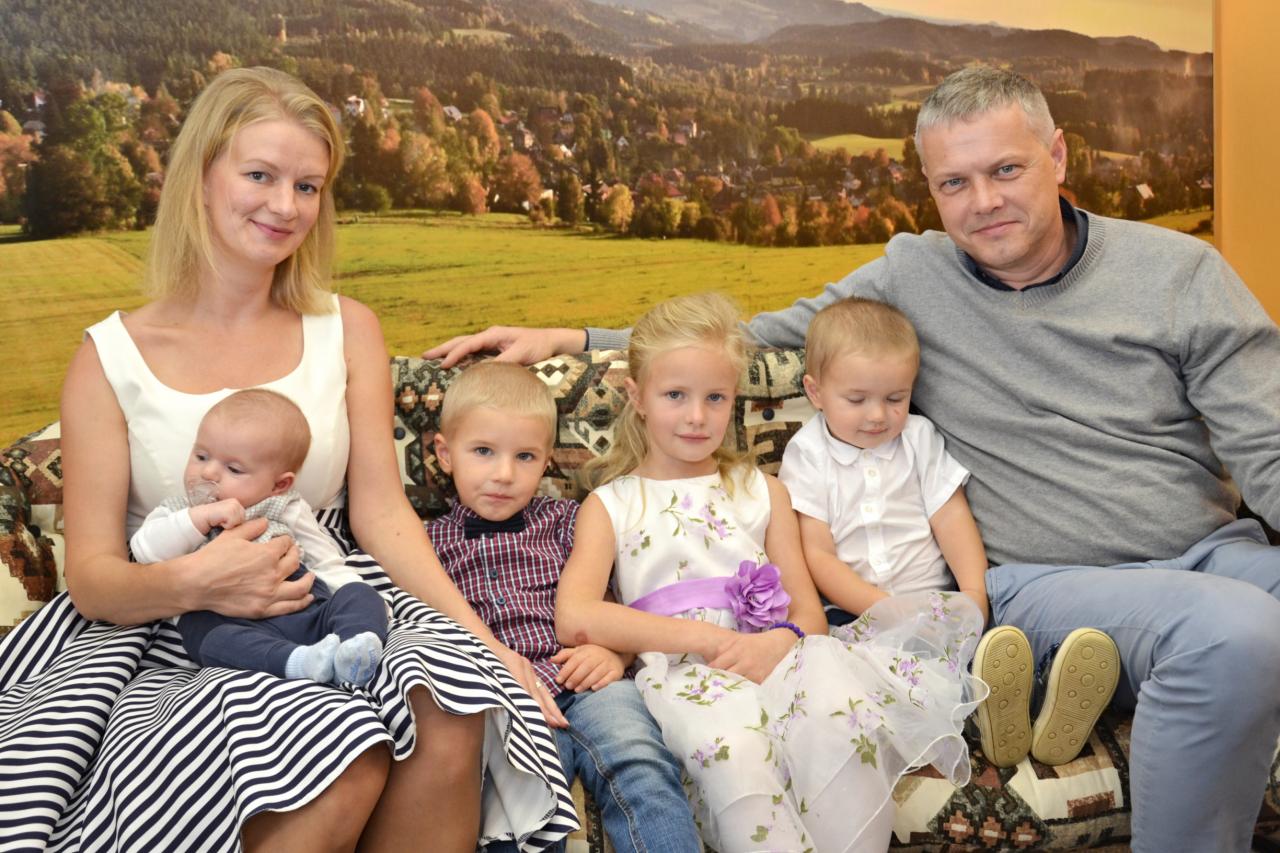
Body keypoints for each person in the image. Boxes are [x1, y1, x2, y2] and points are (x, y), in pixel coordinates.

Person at [429, 65, 1280, 853]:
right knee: (1234, 633)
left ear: (1057, 157)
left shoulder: (1178, 271)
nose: (983, 201)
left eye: (1007, 170)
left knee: (1243, 605)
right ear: (931, 189)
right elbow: (753, 336)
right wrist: (576, 336)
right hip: (1056, 576)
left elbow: (1269, 441)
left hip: (1216, 551)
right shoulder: (917, 276)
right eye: (954, 182)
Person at [0, 67, 576, 852]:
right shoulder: (109, 357)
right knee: (336, 753)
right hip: (173, 625)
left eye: (307, 186)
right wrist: (200, 580)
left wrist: (486, 641)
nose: (285, 205)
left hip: (329, 587)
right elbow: (95, 578)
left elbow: (380, 513)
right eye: (260, 176)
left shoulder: (347, 328)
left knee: (450, 702)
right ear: (202, 177)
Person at [556, 292, 986, 853]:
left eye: (715, 397)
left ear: (733, 398)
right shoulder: (611, 504)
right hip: (689, 674)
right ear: (637, 397)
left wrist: (777, 643)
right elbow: (576, 615)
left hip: (781, 658)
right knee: (737, 749)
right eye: (675, 395)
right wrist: (704, 639)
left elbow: (809, 614)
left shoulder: (764, 491)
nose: (697, 416)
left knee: (838, 717)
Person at [781, 295, 1119, 768]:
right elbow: (816, 554)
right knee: (870, 681)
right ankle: (987, 717)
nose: (878, 415)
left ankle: (1041, 696)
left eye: (895, 399)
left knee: (983, 650)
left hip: (935, 603)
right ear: (815, 392)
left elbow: (952, 519)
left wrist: (974, 595)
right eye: (856, 400)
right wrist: (883, 608)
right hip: (854, 614)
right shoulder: (807, 454)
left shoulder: (918, 438)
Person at [426, 361, 702, 853]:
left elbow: (617, 598)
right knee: (522, 798)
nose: (504, 474)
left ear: (547, 461)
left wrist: (616, 654)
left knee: (640, 760)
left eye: (525, 456)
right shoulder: (427, 545)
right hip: (507, 695)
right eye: (483, 452)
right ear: (445, 454)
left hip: (587, 677)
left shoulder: (568, 520)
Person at [131, 388, 388, 686]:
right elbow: (145, 551)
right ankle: (300, 663)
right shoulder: (178, 511)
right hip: (227, 622)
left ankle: (352, 650)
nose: (208, 472)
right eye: (201, 456)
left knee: (361, 594)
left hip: (304, 607)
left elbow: (326, 561)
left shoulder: (284, 507)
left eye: (234, 468)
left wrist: (362, 606)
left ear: (279, 485)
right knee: (209, 640)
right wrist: (198, 519)